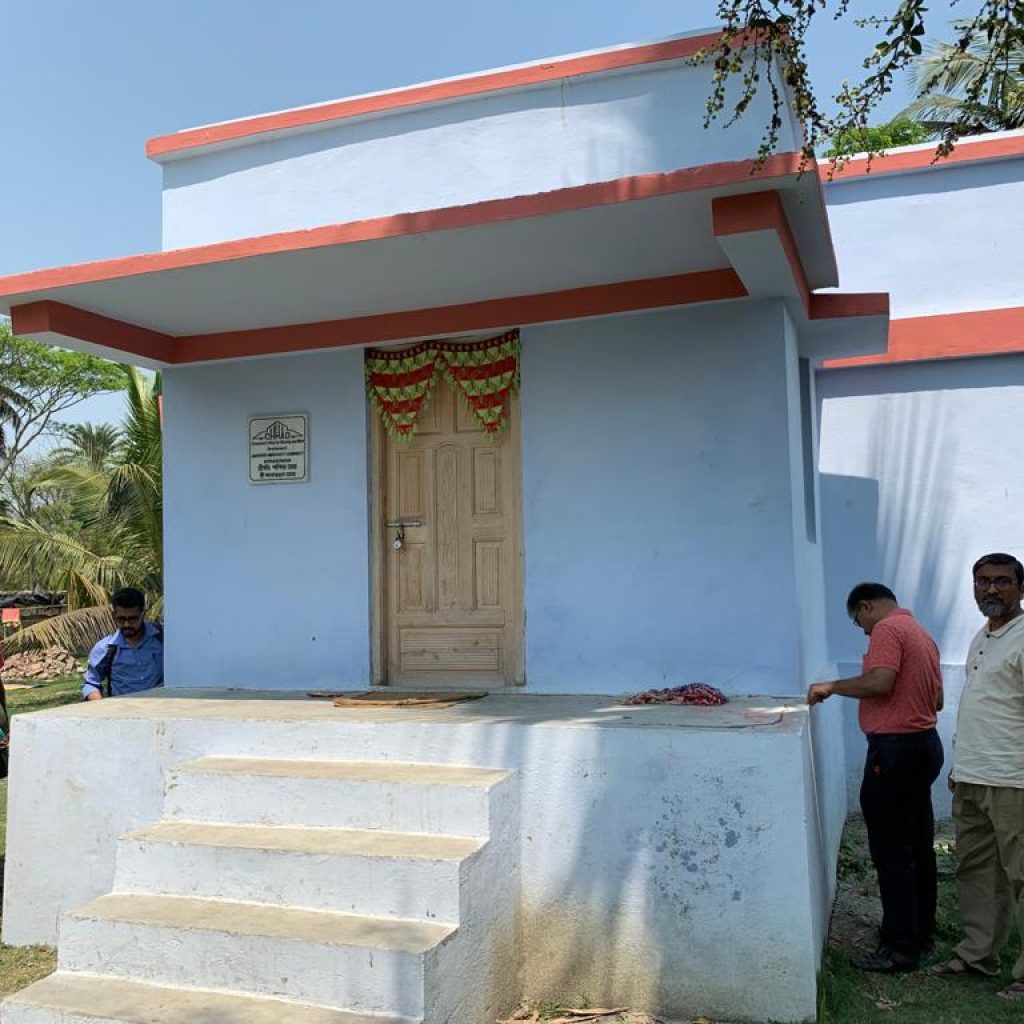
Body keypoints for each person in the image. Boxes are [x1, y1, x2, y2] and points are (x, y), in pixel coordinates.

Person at [808, 582, 944, 973]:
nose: (864, 631)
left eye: (858, 622)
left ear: (866, 607)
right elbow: (937, 700)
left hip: (895, 751)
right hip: (924, 744)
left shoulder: (887, 630)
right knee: (918, 846)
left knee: (892, 851)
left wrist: (830, 687)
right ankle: (919, 932)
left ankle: (900, 949)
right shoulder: (921, 634)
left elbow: (880, 682)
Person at [931, 553, 1024, 1001]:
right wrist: (960, 765)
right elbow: (983, 707)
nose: (991, 589)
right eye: (983, 581)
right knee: (976, 870)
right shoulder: (982, 637)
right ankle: (976, 954)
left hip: (1015, 780)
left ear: (1020, 588)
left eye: (1002, 582)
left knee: (1021, 875)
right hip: (972, 776)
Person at [82, 587, 164, 700]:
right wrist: (101, 706)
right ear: (113, 615)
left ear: (142, 614)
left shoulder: (163, 638)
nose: (126, 624)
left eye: (132, 619)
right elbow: (90, 684)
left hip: (162, 710)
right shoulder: (105, 649)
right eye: (121, 619)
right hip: (123, 714)